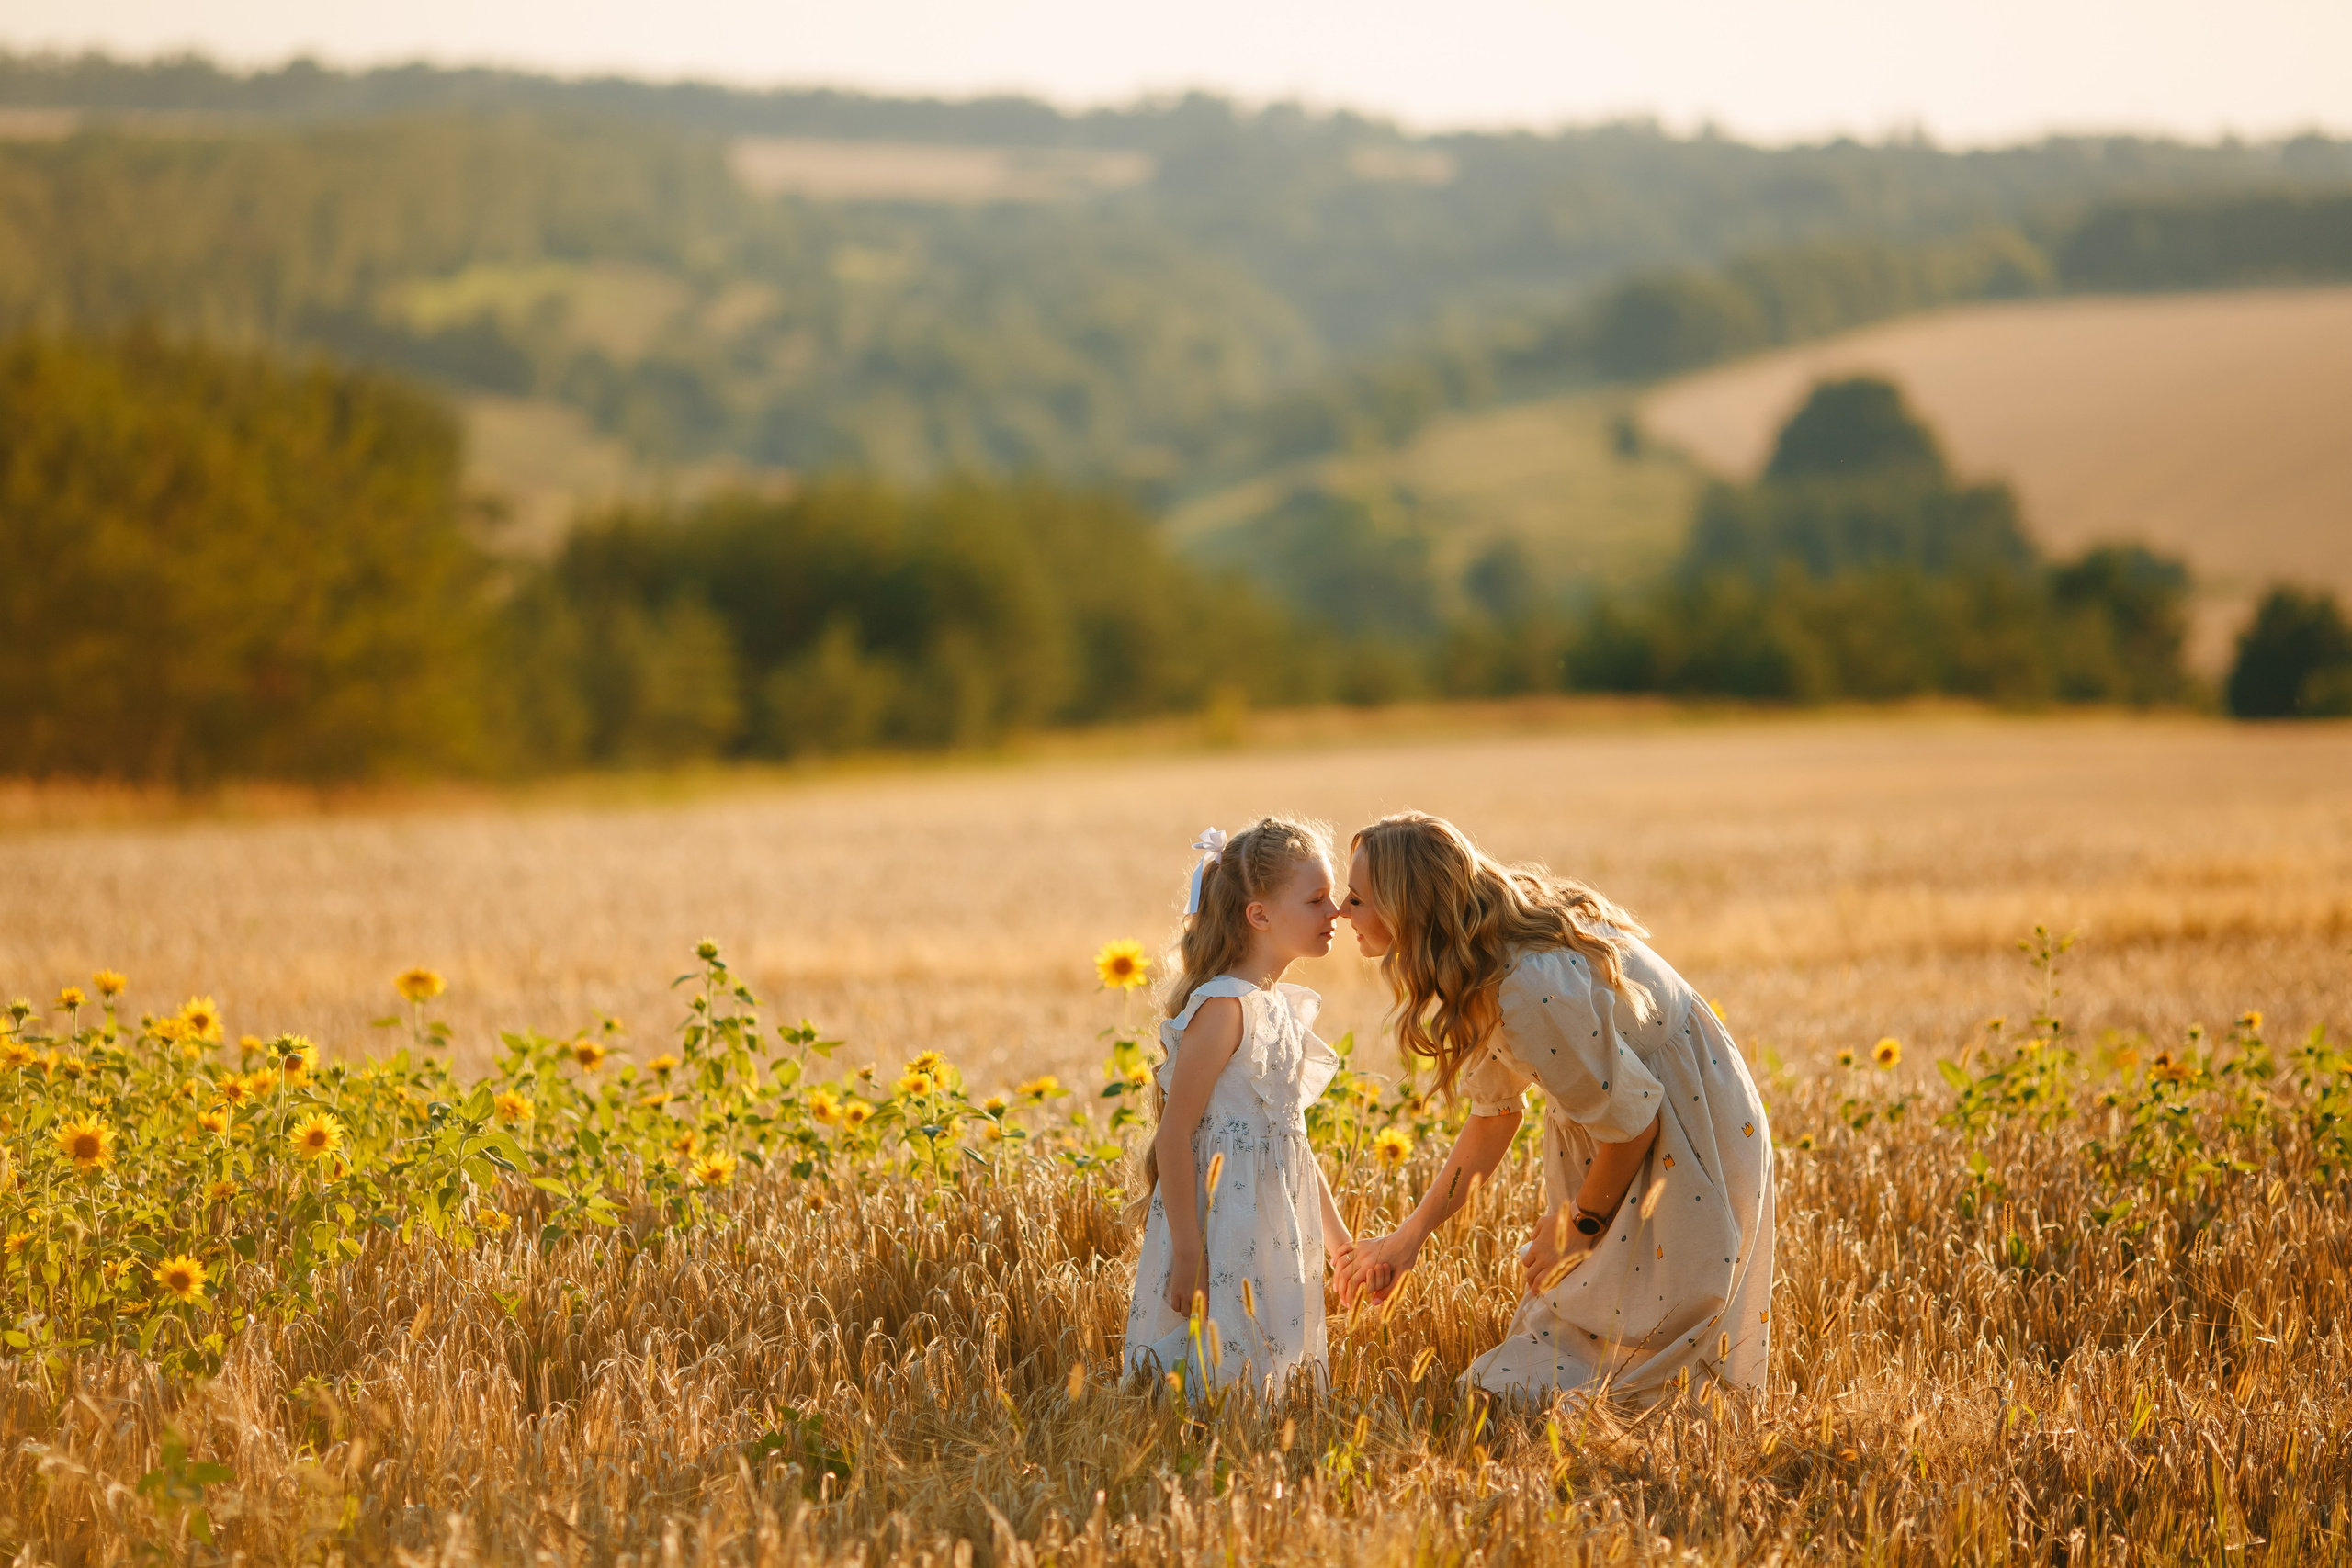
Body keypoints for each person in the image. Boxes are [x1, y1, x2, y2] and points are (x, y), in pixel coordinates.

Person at [1333, 811, 1773, 1406]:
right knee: (1566, 1347)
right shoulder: (1482, 962)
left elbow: (1633, 1121)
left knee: (1644, 1351)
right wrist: (1409, 1237)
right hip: (1640, 1116)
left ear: (1405, 908)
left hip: (1681, 1123)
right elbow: (1495, 1117)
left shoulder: (1525, 984)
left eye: (1356, 898)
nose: (1340, 911)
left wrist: (1577, 1229)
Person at [1124, 818, 1352, 1395]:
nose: (1337, 913)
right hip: (1221, 1222)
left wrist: (1342, 1244)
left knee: (1269, 1372)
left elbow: (1290, 1137)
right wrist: (1186, 1249)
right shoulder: (1225, 1008)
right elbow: (1175, 1136)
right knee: (1217, 1367)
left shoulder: (1280, 1007)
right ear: (1260, 916)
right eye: (1317, 899)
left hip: (1276, 1218)